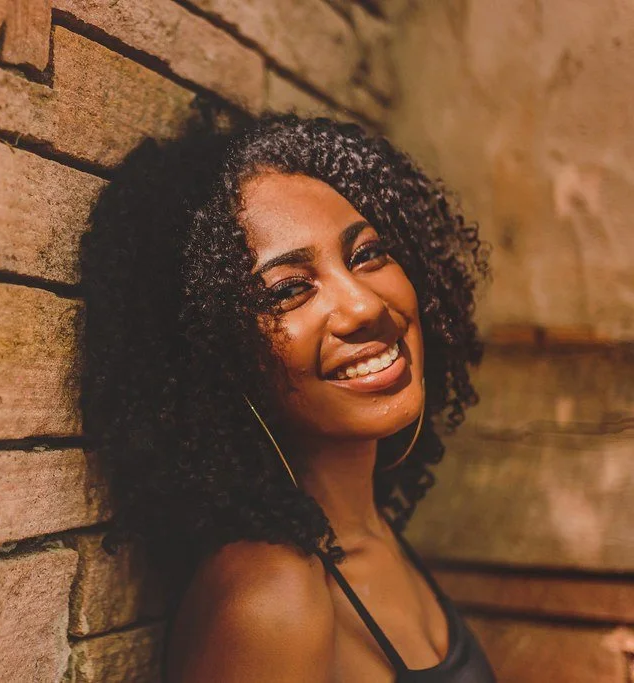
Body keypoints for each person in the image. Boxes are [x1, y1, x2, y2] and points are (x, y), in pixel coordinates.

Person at [79, 111, 497, 682]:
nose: (364, 306)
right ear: (213, 358)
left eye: (367, 254)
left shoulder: (370, 531)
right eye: (289, 290)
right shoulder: (273, 597)